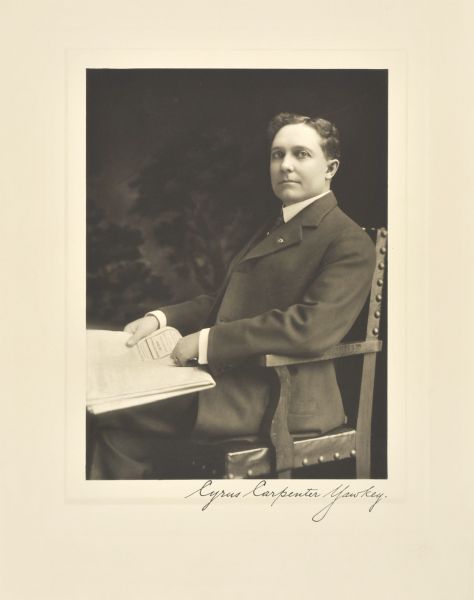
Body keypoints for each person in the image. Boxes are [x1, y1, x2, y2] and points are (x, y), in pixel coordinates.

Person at [88, 112, 376, 479]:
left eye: (301, 154)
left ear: (330, 167)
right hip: (231, 384)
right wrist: (160, 318)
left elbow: (310, 328)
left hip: (281, 398)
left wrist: (206, 341)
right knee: (116, 432)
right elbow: (225, 301)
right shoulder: (276, 227)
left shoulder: (346, 240)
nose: (285, 165)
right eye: (277, 155)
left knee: (108, 408)